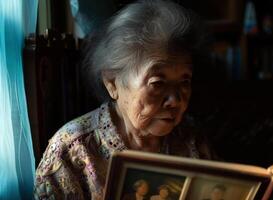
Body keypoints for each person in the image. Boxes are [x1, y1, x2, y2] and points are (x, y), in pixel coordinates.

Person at [34, 0, 212, 199]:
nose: (175, 100)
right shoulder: (73, 150)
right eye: (158, 83)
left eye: (184, 81)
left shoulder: (191, 138)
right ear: (112, 82)